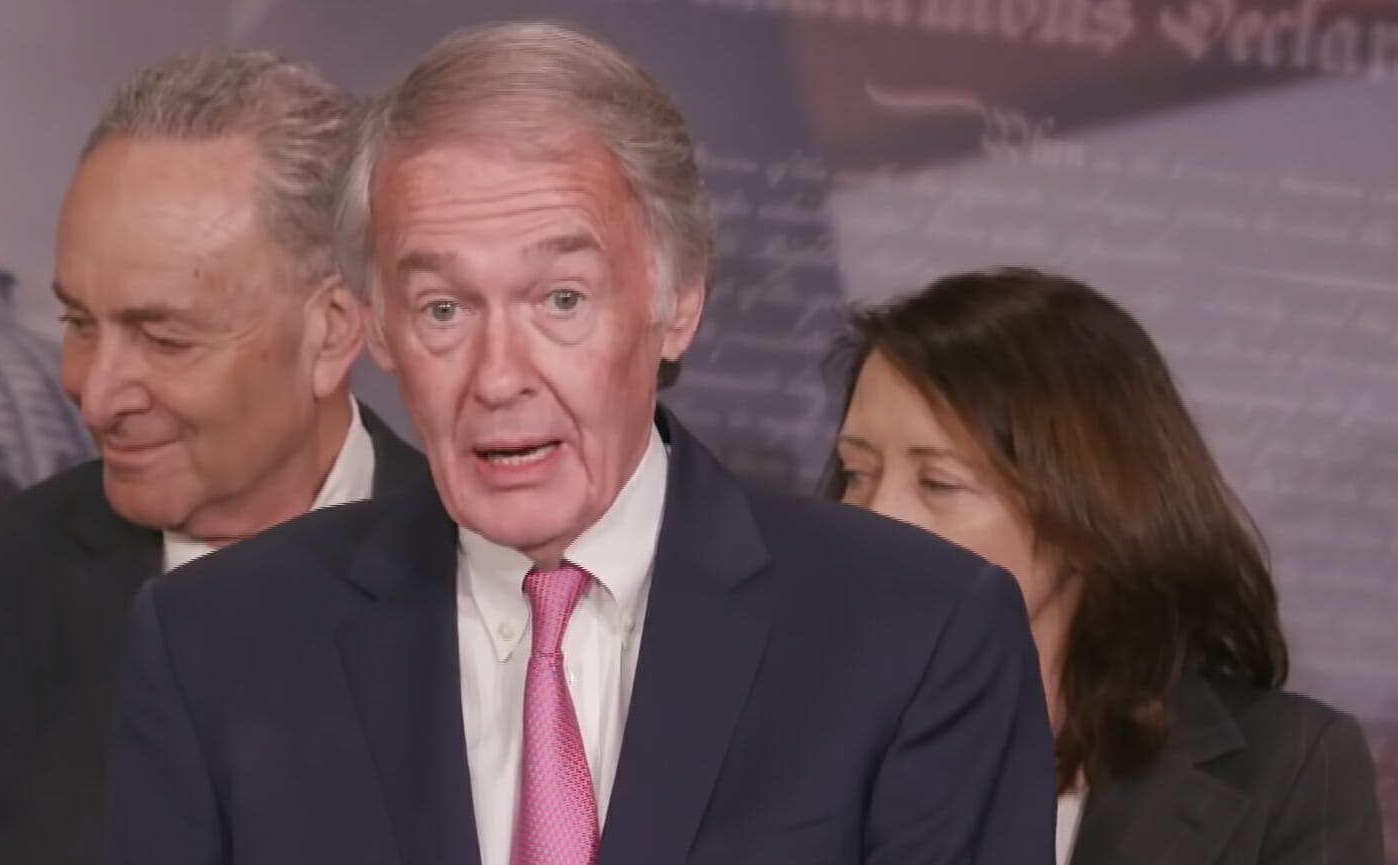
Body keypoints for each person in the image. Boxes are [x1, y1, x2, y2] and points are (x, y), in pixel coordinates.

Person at [105, 22, 1054, 865]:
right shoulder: (213, 652)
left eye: (561, 298)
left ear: (677, 302)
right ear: (378, 332)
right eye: (444, 308)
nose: (500, 375)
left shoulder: (918, 634)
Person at [0, 50, 426, 865]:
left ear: (333, 329)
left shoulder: (512, 576)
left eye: (163, 336)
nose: (95, 391)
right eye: (78, 322)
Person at [825, 266, 1385, 865]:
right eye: (857, 474)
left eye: (939, 482)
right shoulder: (787, 749)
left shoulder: (1286, 770)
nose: (875, 516)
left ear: (1086, 511)